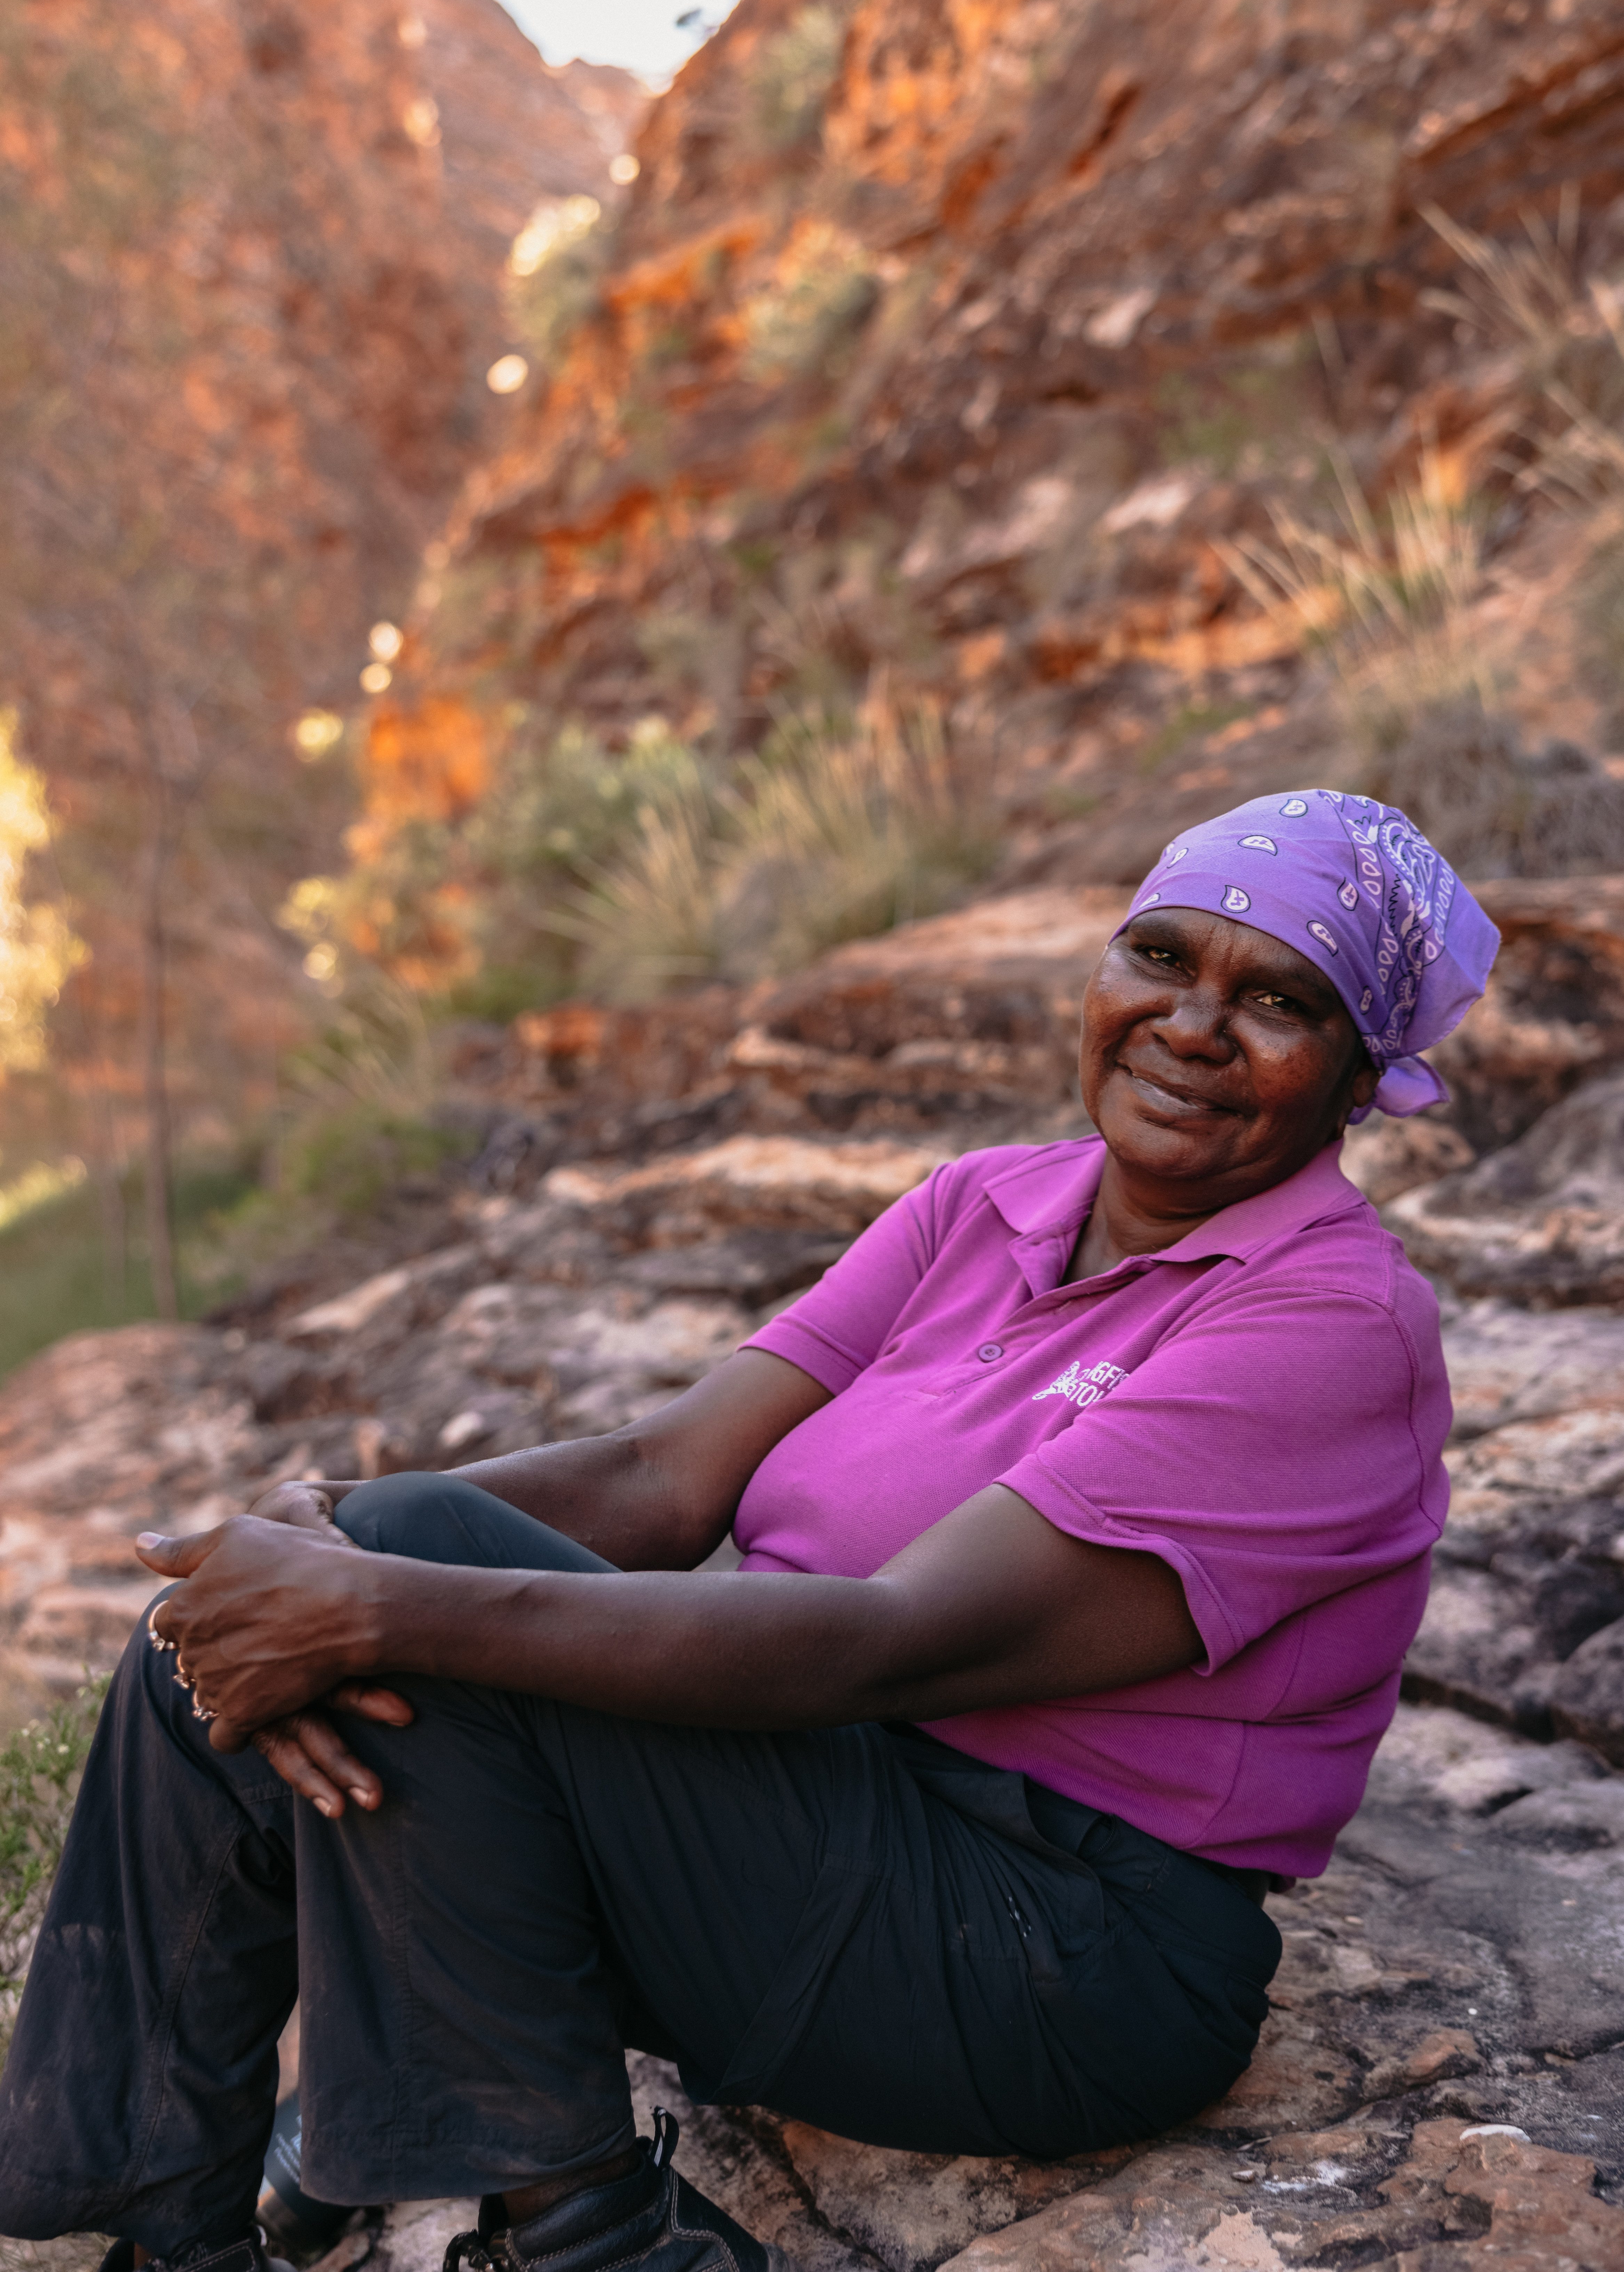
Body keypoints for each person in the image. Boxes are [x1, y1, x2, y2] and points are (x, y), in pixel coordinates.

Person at [0, 789, 1498, 2272]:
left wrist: (369, 1598)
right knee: (224, 1613)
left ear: (1355, 1069)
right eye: (1160, 956)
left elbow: (886, 1642)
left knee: (404, 1613)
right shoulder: (987, 1202)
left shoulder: (1329, 1322)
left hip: (1049, 1949)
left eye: (1277, 1000)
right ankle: (148, 2220)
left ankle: (591, 2230)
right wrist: (313, 1542)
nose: (1190, 1023)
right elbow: (663, 1478)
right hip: (796, 1819)